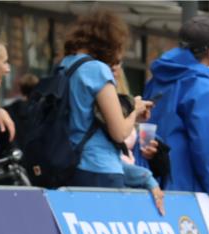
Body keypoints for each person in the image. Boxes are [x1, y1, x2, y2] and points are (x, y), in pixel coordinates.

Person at [142, 17, 209, 215]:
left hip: (151, 182)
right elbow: (206, 144)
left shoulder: (157, 78)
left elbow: (144, 126)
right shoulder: (204, 88)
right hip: (185, 186)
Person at [56, 10, 150, 188]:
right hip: (100, 166)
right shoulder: (97, 69)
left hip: (71, 162)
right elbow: (120, 132)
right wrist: (135, 108)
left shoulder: (66, 64)